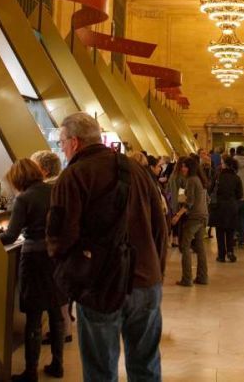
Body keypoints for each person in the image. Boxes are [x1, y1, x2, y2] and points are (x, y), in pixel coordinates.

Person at [47, 113, 168, 382]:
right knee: (146, 365)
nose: (62, 148)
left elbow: (60, 236)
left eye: (62, 141)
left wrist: (71, 280)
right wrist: (156, 272)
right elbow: (161, 226)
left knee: (100, 369)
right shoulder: (135, 170)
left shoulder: (74, 176)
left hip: (100, 285)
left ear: (75, 142)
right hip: (146, 282)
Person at [0, 158, 64, 381]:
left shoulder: (24, 198)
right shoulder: (55, 191)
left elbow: (10, 235)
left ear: (18, 178)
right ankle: (57, 364)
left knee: (34, 316)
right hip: (55, 257)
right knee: (56, 312)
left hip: (34, 259)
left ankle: (30, 371)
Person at [170, 155, 209, 287]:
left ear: (190, 167)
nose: (182, 168)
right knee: (200, 247)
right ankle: (202, 277)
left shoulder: (192, 180)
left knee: (184, 247)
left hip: (194, 217)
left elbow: (190, 202)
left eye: (185, 166)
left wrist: (177, 215)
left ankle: (187, 279)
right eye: (182, 166)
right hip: (202, 216)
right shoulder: (199, 179)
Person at [211, 157, 242, 262]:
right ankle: (230, 252)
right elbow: (240, 194)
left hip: (219, 206)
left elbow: (210, 189)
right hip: (232, 206)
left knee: (220, 232)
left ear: (225, 164)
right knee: (230, 231)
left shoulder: (218, 176)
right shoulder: (236, 178)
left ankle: (221, 255)